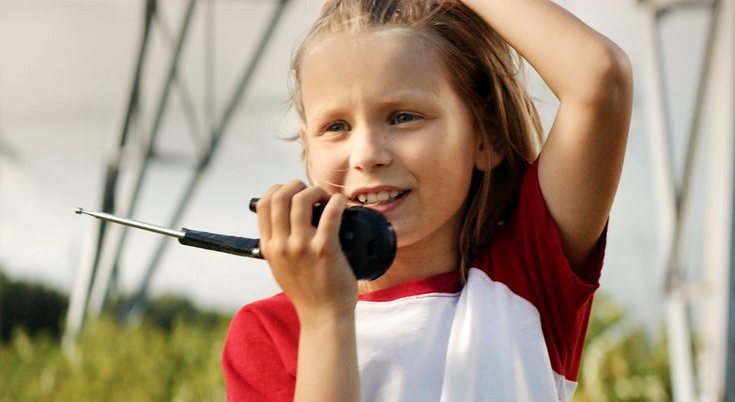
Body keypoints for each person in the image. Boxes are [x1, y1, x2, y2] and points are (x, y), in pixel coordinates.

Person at [223, 0, 632, 400]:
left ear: (485, 135)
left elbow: (598, 77)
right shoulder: (269, 331)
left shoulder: (529, 271)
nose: (366, 154)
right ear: (308, 149)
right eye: (336, 126)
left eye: (403, 117)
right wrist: (324, 318)